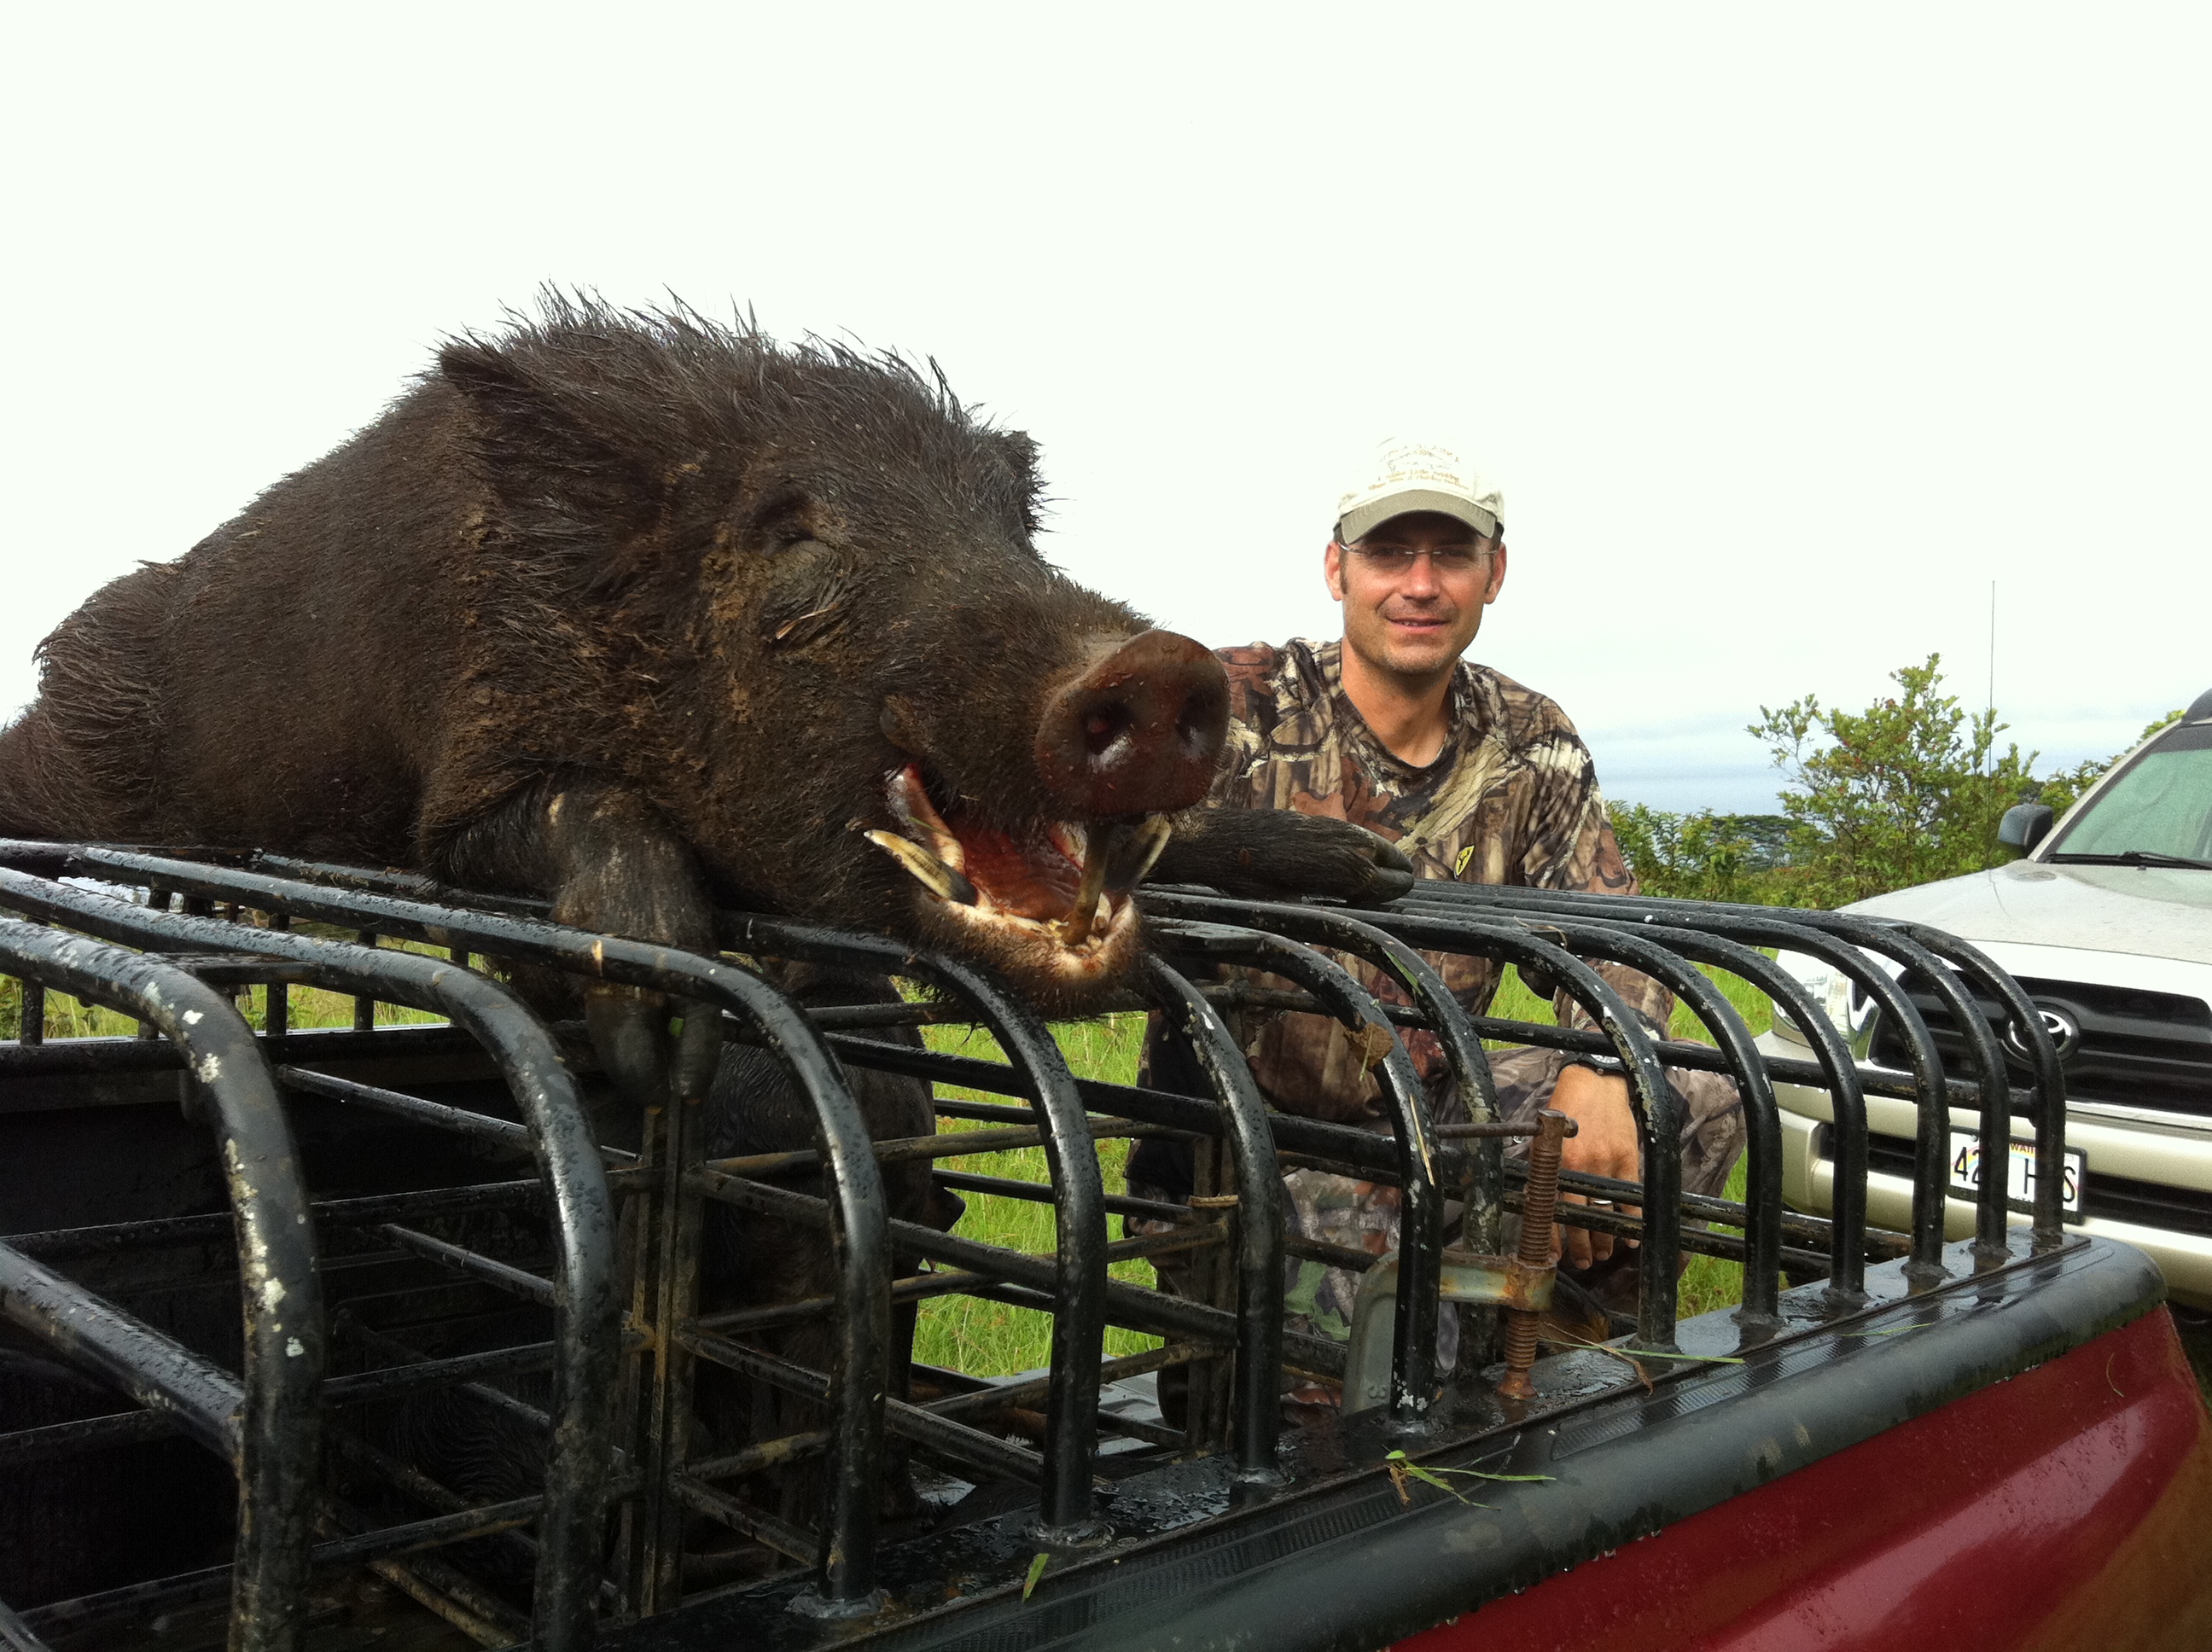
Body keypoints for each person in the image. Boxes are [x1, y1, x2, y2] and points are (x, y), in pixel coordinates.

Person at [1127, 440, 1745, 1402]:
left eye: (1451, 555)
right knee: (1366, 1377)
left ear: (1493, 574)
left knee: (1695, 1095)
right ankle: (1304, 1384)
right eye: (1388, 553)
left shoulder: (1528, 738)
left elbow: (1614, 928)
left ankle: (1543, 1363)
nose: (1420, 584)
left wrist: (1602, 1070)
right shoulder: (1238, 707)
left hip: (1434, 1122)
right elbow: (1110, 849)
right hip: (1246, 1153)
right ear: (1337, 569)